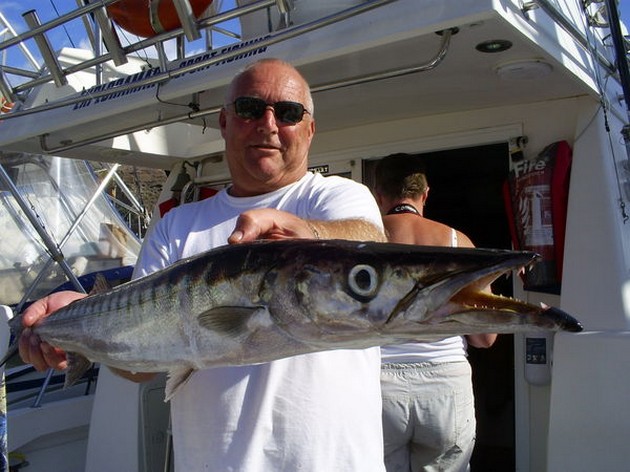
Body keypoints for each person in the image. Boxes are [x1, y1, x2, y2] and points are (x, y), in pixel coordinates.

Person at [19, 58, 388, 471]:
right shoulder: (177, 226)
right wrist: (80, 327)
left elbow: (370, 244)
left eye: (287, 112)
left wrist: (303, 231)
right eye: (250, 109)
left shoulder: (337, 198)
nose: (268, 124)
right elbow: (141, 368)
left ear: (309, 129)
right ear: (224, 122)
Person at [373, 153, 497, 472]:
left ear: (379, 195)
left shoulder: (362, 240)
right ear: (425, 194)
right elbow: (485, 338)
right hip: (444, 387)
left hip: (379, 386)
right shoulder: (459, 243)